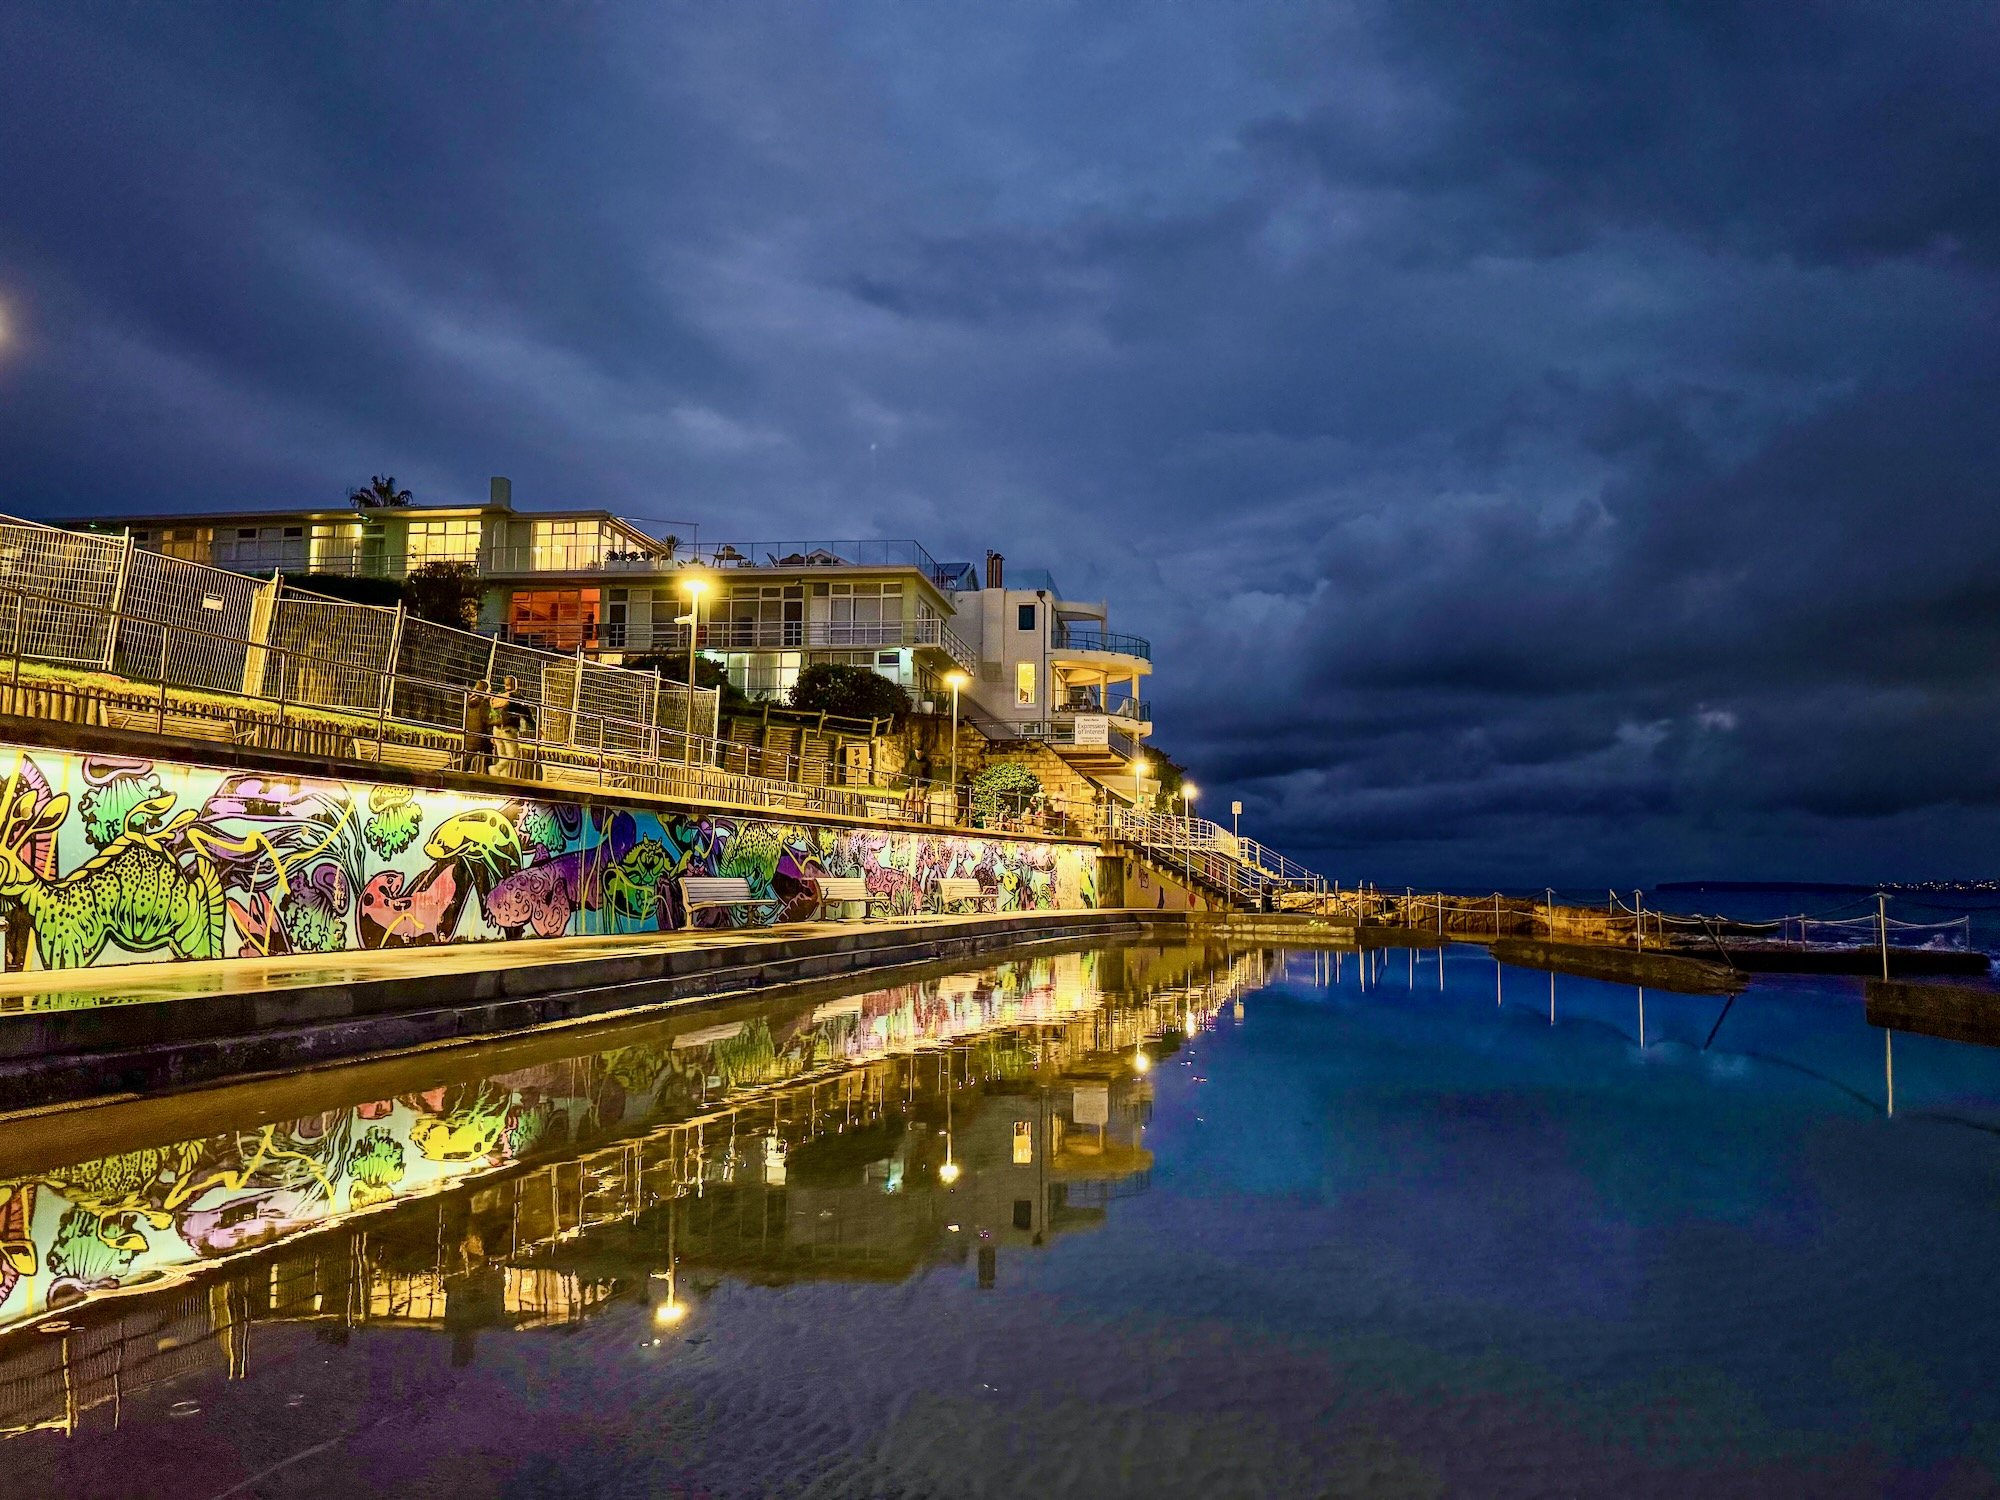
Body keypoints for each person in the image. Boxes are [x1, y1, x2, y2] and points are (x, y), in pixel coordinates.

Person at [493, 675, 537, 779]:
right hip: (509, 728)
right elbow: (527, 714)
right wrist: (536, 727)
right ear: (515, 685)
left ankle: (503, 778)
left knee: (502, 755)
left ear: (505, 684)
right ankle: (497, 769)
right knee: (512, 754)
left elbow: (493, 713)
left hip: (496, 728)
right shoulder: (518, 697)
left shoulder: (499, 696)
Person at [463, 678, 495, 773]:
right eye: (489, 689)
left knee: (468, 756)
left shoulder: (470, 701)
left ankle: (463, 772)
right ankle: (489, 775)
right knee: (489, 753)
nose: (490, 691)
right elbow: (487, 720)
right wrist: (491, 735)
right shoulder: (484, 703)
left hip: (471, 734)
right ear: (485, 690)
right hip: (482, 735)